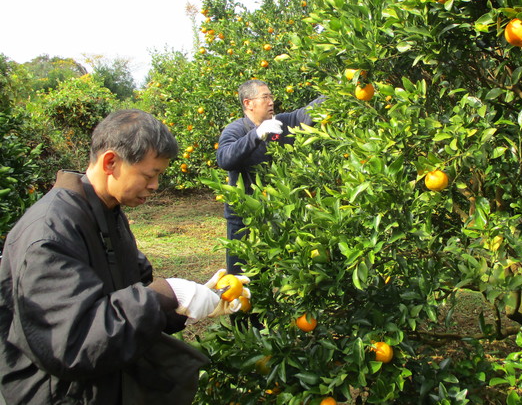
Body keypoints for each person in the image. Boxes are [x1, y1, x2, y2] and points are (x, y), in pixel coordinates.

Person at [0, 109, 248, 405]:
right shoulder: (51, 233)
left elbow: (129, 296)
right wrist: (166, 294)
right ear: (111, 163)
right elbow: (72, 342)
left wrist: (182, 306)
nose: (155, 186)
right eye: (150, 174)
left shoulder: (106, 212)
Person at [217, 79, 324, 275]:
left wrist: (336, 92)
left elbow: (306, 113)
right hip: (244, 220)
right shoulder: (236, 130)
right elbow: (224, 158)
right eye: (265, 97)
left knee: (271, 275)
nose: (271, 102)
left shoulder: (280, 124)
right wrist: (256, 135)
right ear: (248, 103)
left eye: (271, 97)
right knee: (240, 280)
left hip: (276, 215)